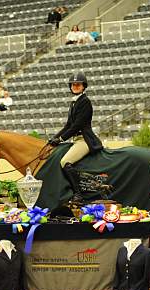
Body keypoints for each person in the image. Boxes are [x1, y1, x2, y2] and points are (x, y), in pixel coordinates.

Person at [48, 72, 103, 203]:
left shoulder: (85, 102)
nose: (75, 86)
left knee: (65, 162)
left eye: (78, 85)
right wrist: (53, 138)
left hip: (84, 140)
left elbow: (77, 125)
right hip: (76, 140)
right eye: (73, 85)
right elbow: (68, 125)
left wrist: (61, 139)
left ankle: (78, 194)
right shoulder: (74, 103)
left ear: (83, 86)